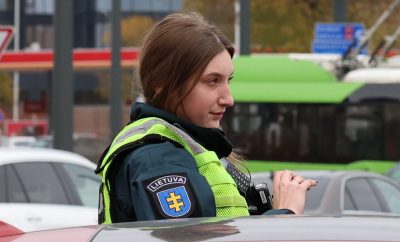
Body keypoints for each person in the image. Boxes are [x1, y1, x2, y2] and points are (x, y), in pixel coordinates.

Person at [96, 12, 314, 223]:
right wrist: (286, 215)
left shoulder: (179, 149)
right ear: (162, 84)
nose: (228, 99)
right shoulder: (158, 159)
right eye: (212, 81)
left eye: (228, 80)